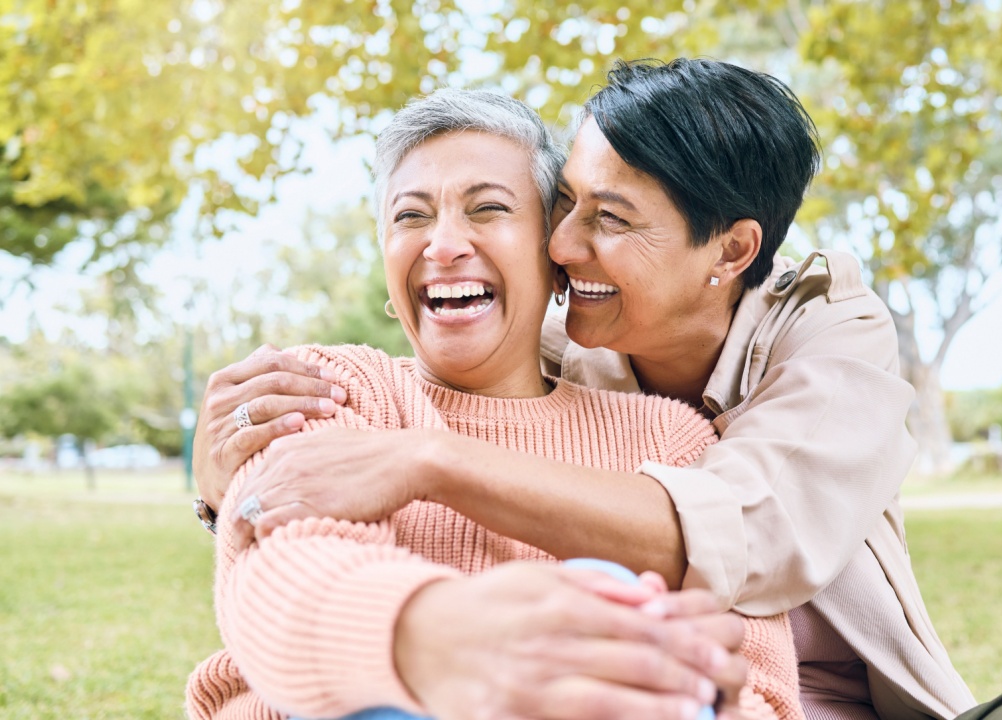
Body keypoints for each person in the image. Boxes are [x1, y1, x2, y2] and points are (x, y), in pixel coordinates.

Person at [194, 59, 1002, 720]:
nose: (567, 247)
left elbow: (746, 545)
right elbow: (303, 532)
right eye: (566, 206)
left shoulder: (827, 342)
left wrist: (428, 462)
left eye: (605, 220)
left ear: (731, 250)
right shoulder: (474, 360)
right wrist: (229, 483)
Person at [185, 89, 802, 720]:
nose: (444, 244)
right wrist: (443, 641)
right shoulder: (336, 387)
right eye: (411, 217)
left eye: (488, 209)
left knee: (623, 613)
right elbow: (283, 576)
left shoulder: (669, 438)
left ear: (554, 251)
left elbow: (764, 690)